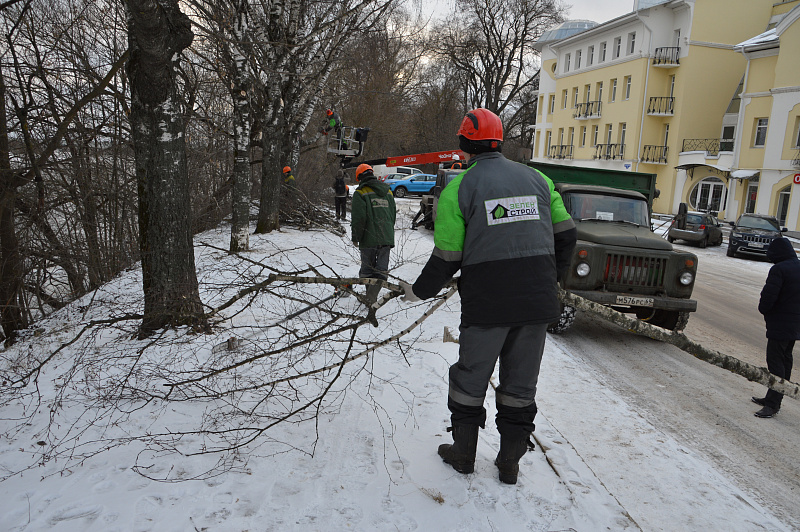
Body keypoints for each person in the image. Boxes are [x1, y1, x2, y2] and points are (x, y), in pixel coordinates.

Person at [399, 108, 577, 484]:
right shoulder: (540, 180)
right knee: (520, 385)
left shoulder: (458, 189)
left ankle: (463, 455)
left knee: (470, 379)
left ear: (464, 144)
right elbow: (566, 236)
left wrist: (418, 291)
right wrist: (550, 279)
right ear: (499, 141)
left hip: (488, 304)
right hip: (535, 303)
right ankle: (510, 464)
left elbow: (448, 256)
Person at [752, 237, 800, 418]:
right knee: (785, 360)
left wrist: (764, 310)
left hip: (780, 324)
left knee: (775, 363)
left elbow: (768, 297)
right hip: (795, 324)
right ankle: (774, 396)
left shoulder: (779, 269)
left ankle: (772, 404)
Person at [351, 163, 396, 306]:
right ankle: (371, 297)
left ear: (359, 177)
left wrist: (356, 237)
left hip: (368, 237)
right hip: (386, 236)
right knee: (381, 271)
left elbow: (359, 219)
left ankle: (370, 299)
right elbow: (392, 215)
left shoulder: (360, 193)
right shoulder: (388, 192)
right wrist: (387, 232)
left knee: (367, 269)